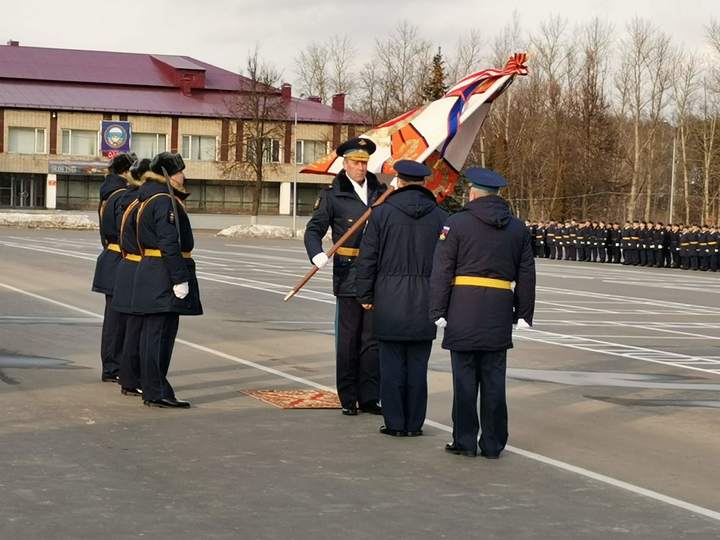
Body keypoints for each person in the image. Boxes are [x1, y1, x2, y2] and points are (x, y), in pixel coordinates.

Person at [430, 168, 536, 459]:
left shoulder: (457, 224)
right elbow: (526, 273)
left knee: (464, 380)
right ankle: (493, 443)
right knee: (493, 380)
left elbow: (442, 270)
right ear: (498, 195)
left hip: (463, 307)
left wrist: (437, 309)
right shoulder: (517, 228)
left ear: (473, 193)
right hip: (498, 310)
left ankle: (464, 441)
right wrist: (524, 313)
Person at [355, 160, 447, 437]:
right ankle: (415, 423)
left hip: (389, 298)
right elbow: (447, 262)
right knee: (418, 366)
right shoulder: (441, 217)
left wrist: (365, 294)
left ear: (400, 181)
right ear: (424, 183)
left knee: (391, 364)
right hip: (426, 299)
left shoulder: (382, 214)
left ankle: (395, 423)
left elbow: (367, 258)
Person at [304, 137, 387, 416]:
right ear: (345, 163)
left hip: (376, 274)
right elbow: (313, 230)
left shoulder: (381, 192)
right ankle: (348, 397)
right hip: (349, 273)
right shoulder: (333, 194)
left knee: (372, 340)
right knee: (349, 339)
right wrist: (316, 253)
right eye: (356, 162)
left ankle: (369, 397)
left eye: (364, 162)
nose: (361, 168)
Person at [132, 152, 203, 408]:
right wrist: (179, 278)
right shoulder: (163, 201)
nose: (183, 176)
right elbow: (168, 242)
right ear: (167, 174)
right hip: (163, 273)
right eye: (179, 171)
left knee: (154, 335)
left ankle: (153, 388)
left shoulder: (150, 197)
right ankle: (157, 390)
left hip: (153, 271)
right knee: (159, 337)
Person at [91, 152, 136, 383]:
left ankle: (112, 365)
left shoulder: (108, 194)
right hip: (119, 259)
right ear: (125, 172)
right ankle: (113, 366)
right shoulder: (122, 196)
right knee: (119, 320)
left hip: (110, 256)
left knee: (114, 319)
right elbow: (124, 231)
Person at [112, 158, 151, 397]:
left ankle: (128, 377)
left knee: (131, 328)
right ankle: (132, 377)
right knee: (137, 329)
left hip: (127, 265)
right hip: (138, 266)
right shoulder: (141, 204)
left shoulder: (126, 200)